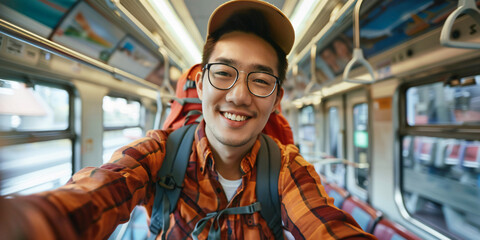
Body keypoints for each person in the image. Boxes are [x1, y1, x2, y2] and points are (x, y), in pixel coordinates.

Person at [1, 1, 376, 239]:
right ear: (199, 84)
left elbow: (326, 225)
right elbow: (98, 192)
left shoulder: (286, 167)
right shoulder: (158, 154)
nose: (240, 96)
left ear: (277, 99)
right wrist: (28, 223)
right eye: (224, 73)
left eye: (261, 80)